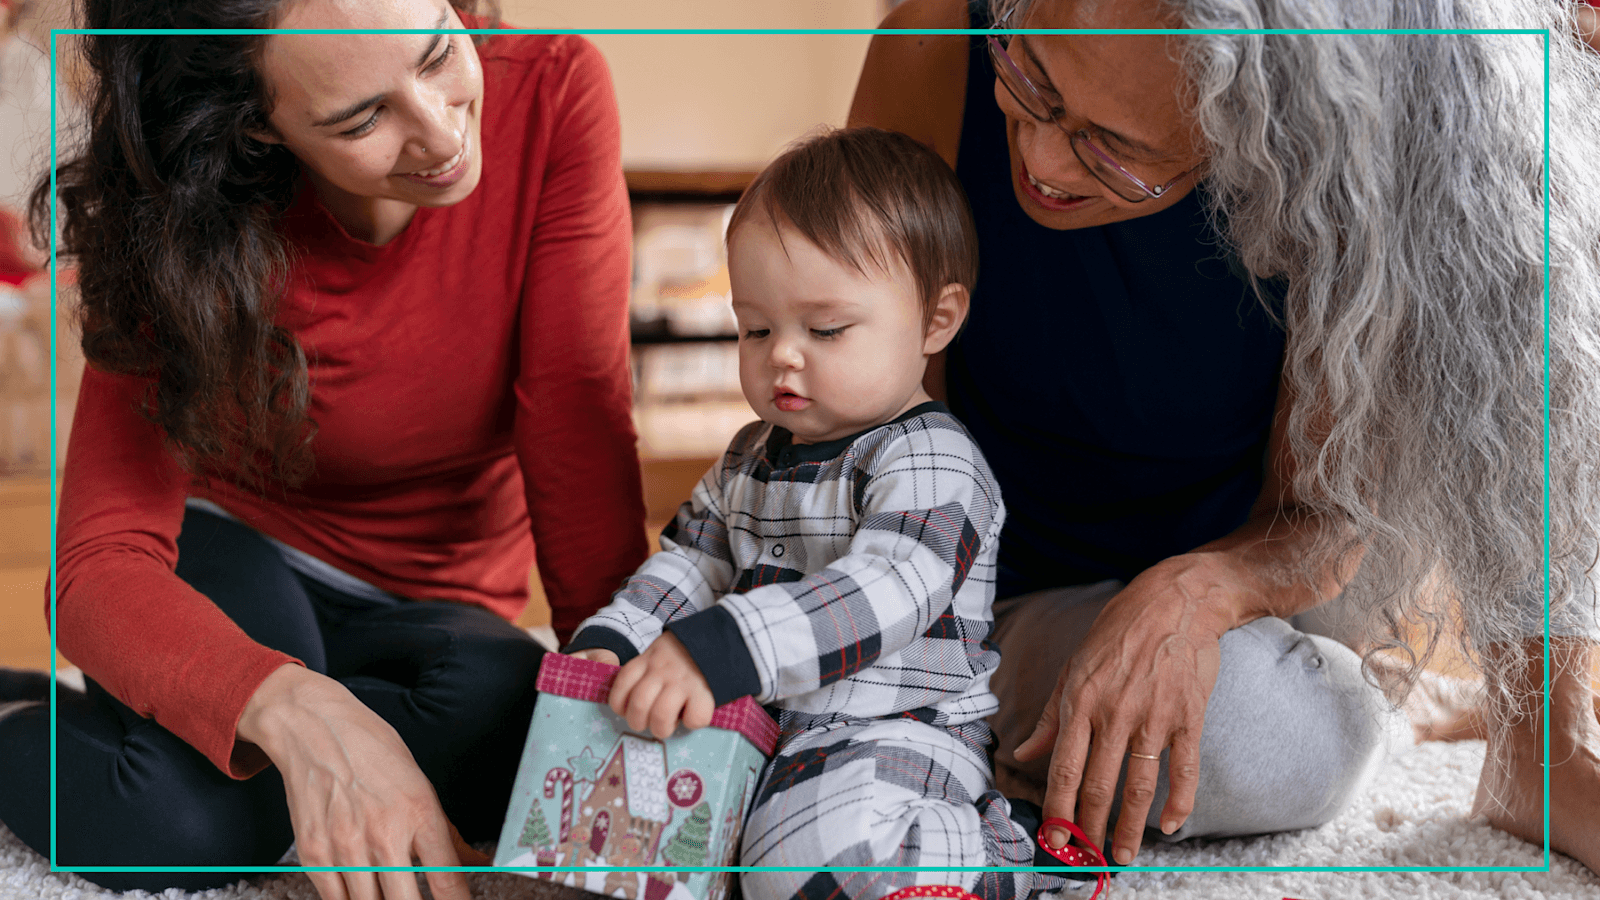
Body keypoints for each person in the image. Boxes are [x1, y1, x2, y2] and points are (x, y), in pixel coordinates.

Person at [849, 0, 1600, 875]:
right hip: (996, 588)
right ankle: (1388, 698)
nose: (1044, 158)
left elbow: (1323, 516)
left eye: (1113, 147)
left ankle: (1540, 750)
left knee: (1522, 237)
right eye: (1032, 83)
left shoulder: (1335, 156)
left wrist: (1200, 593)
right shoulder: (933, 52)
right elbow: (868, 450)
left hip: (1278, 561)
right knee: (1253, 732)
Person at [0, 1, 651, 898]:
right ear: (256, 125)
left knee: (513, 723)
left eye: (437, 54)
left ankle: (223, 744)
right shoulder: (178, 209)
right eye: (363, 119)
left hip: (434, 607)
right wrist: (289, 709)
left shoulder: (554, 88)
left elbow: (578, 434)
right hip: (235, 558)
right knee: (186, 825)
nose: (440, 130)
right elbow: (98, 566)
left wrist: (625, 693)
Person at [564, 126, 1097, 900]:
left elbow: (893, 586)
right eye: (756, 327)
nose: (783, 354)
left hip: (898, 733)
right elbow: (688, 561)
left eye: (825, 329)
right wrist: (620, 643)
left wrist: (727, 644)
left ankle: (1005, 854)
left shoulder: (930, 458)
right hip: (764, 727)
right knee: (626, 836)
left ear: (936, 321)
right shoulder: (750, 454)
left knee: (805, 865)